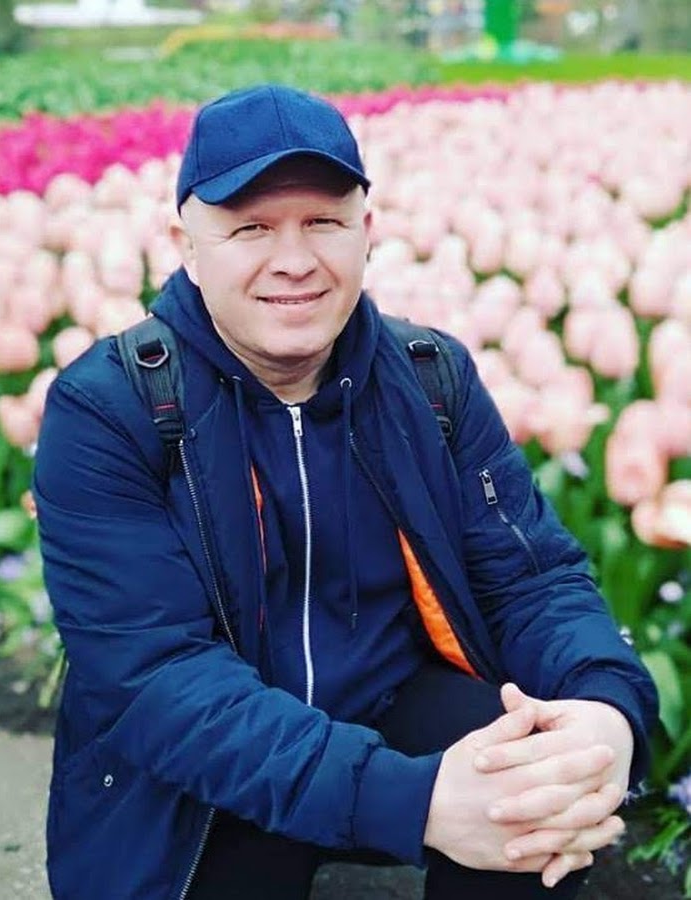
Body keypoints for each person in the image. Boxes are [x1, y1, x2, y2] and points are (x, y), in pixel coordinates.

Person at [33, 84, 658, 900]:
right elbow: (156, 677)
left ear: (368, 232)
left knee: (534, 800)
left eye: (323, 222)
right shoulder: (112, 408)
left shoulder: (430, 379)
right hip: (206, 767)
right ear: (187, 246)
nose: (294, 259)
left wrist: (606, 709)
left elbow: (532, 578)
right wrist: (414, 803)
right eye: (252, 228)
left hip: (388, 704)